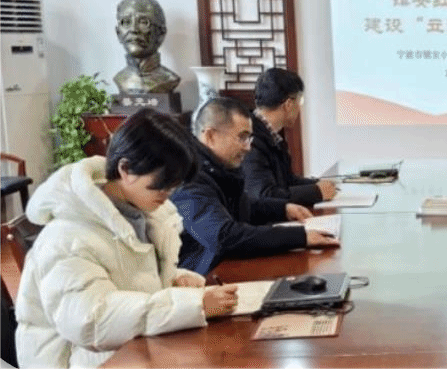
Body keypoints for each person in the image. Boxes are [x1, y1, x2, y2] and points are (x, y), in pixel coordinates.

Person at [15, 109, 239, 368]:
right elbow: (92, 320)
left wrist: (172, 279)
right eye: (162, 183)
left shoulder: (141, 214)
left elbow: (122, 278)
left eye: (174, 184)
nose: (168, 193)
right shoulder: (67, 236)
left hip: (124, 351)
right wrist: (193, 305)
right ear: (125, 169)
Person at [172, 97, 339, 274]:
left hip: (228, 265)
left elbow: (244, 207)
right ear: (210, 136)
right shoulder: (189, 180)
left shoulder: (219, 169)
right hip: (207, 277)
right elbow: (224, 237)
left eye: (249, 139)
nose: (248, 148)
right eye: (242, 138)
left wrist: (283, 209)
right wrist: (300, 237)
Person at [242, 68, 336, 207]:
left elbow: (286, 181)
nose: (300, 108)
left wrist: (318, 184)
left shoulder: (271, 134)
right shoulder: (252, 139)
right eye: (300, 101)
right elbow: (264, 195)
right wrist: (316, 192)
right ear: (288, 104)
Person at [113, 0, 181, 94]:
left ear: (161, 34)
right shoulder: (120, 79)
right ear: (118, 33)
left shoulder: (169, 79)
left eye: (144, 22)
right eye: (126, 22)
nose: (133, 29)